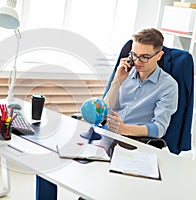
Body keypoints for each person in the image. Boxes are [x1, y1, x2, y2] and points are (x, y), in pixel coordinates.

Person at [35, 28, 178, 200]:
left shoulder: (168, 86)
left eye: (144, 57)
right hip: (104, 136)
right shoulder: (125, 73)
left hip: (130, 144)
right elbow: (104, 111)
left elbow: (158, 129)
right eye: (134, 54)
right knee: (49, 164)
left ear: (159, 56)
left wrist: (124, 129)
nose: (137, 61)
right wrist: (117, 82)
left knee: (94, 187)